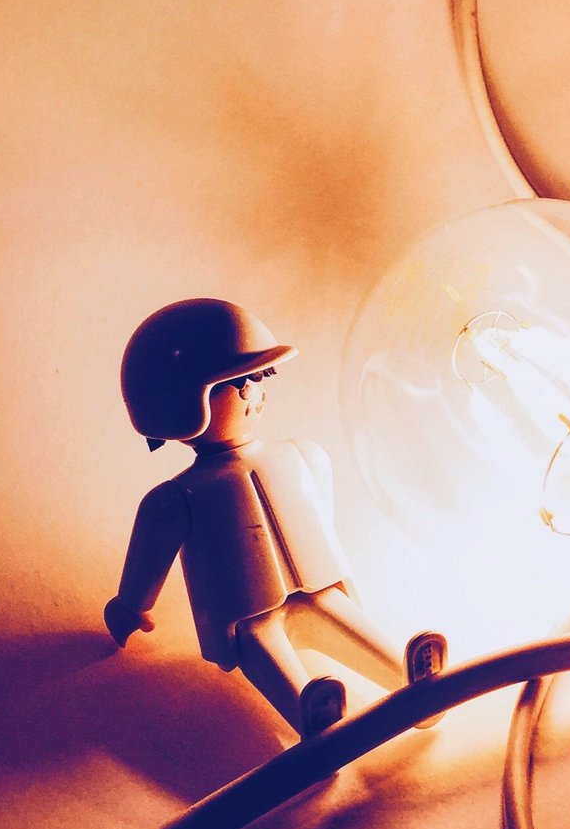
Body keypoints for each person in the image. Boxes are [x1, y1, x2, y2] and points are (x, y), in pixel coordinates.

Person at [105, 299, 445, 736]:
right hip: (245, 610)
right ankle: (310, 713)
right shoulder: (178, 497)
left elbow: (321, 519)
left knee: (335, 612)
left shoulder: (300, 454)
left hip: (315, 584)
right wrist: (131, 606)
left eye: (261, 377)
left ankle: (407, 673)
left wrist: (330, 563)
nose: (256, 392)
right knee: (264, 643)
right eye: (240, 384)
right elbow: (151, 550)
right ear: (189, 405)